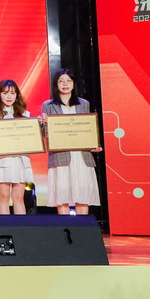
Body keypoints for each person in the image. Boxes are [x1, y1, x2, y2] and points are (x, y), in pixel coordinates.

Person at [41, 69, 101, 215]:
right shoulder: (48, 105)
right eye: (61, 81)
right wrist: (44, 124)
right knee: (62, 198)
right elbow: (45, 135)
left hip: (81, 157)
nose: (65, 84)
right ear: (56, 84)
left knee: (83, 197)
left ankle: (82, 228)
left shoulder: (84, 104)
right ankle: (65, 228)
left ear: (74, 84)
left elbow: (89, 128)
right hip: (60, 157)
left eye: (69, 80)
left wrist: (95, 144)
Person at [0, 79, 34, 216]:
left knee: (19, 197)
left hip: (20, 160)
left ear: (17, 95)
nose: (9, 96)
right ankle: (4, 228)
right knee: (4, 197)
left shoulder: (25, 114)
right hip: (2, 160)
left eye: (12, 93)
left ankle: (21, 228)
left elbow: (30, 137)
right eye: (5, 93)